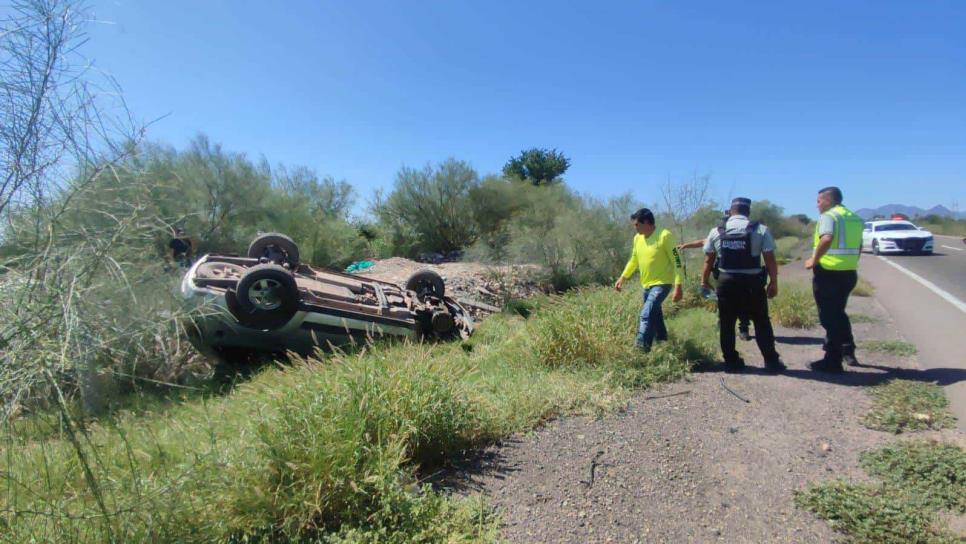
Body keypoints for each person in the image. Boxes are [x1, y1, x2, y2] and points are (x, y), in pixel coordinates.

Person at [701, 197, 784, 373]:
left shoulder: (717, 231)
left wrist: (704, 280)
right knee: (761, 322)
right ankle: (771, 362)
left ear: (731, 211)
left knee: (726, 322)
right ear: (748, 212)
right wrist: (773, 283)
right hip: (752, 283)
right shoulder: (761, 230)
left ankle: (730, 362)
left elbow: (708, 259)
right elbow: (770, 260)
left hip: (726, 282)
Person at [805, 187, 864, 372]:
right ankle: (848, 350)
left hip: (829, 272)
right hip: (848, 273)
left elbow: (826, 238)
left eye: (819, 201)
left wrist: (813, 260)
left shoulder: (829, 216)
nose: (817, 205)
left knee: (829, 317)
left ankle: (833, 360)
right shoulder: (853, 217)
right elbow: (859, 245)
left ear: (828, 201)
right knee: (839, 313)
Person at [614, 208, 683, 352]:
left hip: (662, 284)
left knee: (646, 314)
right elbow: (634, 260)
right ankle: (664, 342)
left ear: (646, 222)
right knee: (655, 315)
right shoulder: (637, 238)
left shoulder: (665, 236)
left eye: (636, 225)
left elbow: (677, 261)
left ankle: (641, 350)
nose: (635, 228)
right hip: (646, 285)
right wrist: (623, 277)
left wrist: (678, 286)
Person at [679, 209, 752, 341]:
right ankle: (738, 327)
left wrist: (704, 279)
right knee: (736, 300)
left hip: (726, 275)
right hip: (732, 274)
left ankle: (740, 328)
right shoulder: (723, 234)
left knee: (730, 300)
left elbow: (706, 252)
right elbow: (702, 241)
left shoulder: (726, 233)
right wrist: (685, 245)